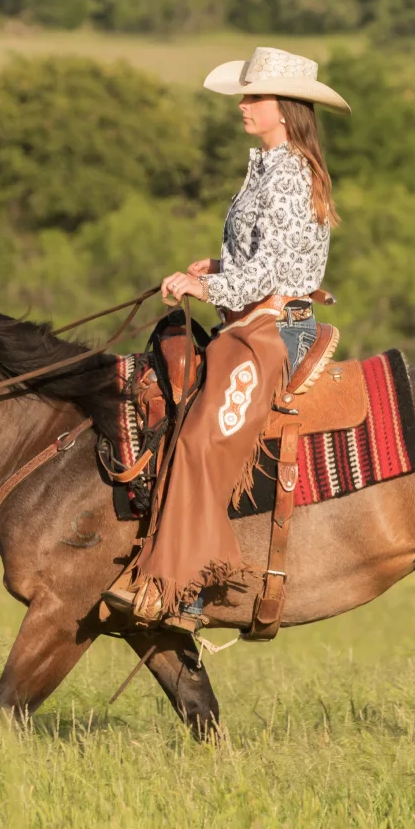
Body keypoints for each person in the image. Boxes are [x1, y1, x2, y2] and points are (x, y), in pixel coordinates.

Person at [103, 46, 351, 635]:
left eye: (254, 97)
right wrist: (216, 265)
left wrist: (204, 283)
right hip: (250, 319)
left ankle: (189, 589)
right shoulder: (270, 165)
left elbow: (269, 275)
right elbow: (268, 254)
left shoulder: (289, 172)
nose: (243, 106)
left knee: (197, 442)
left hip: (272, 328)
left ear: (284, 109)